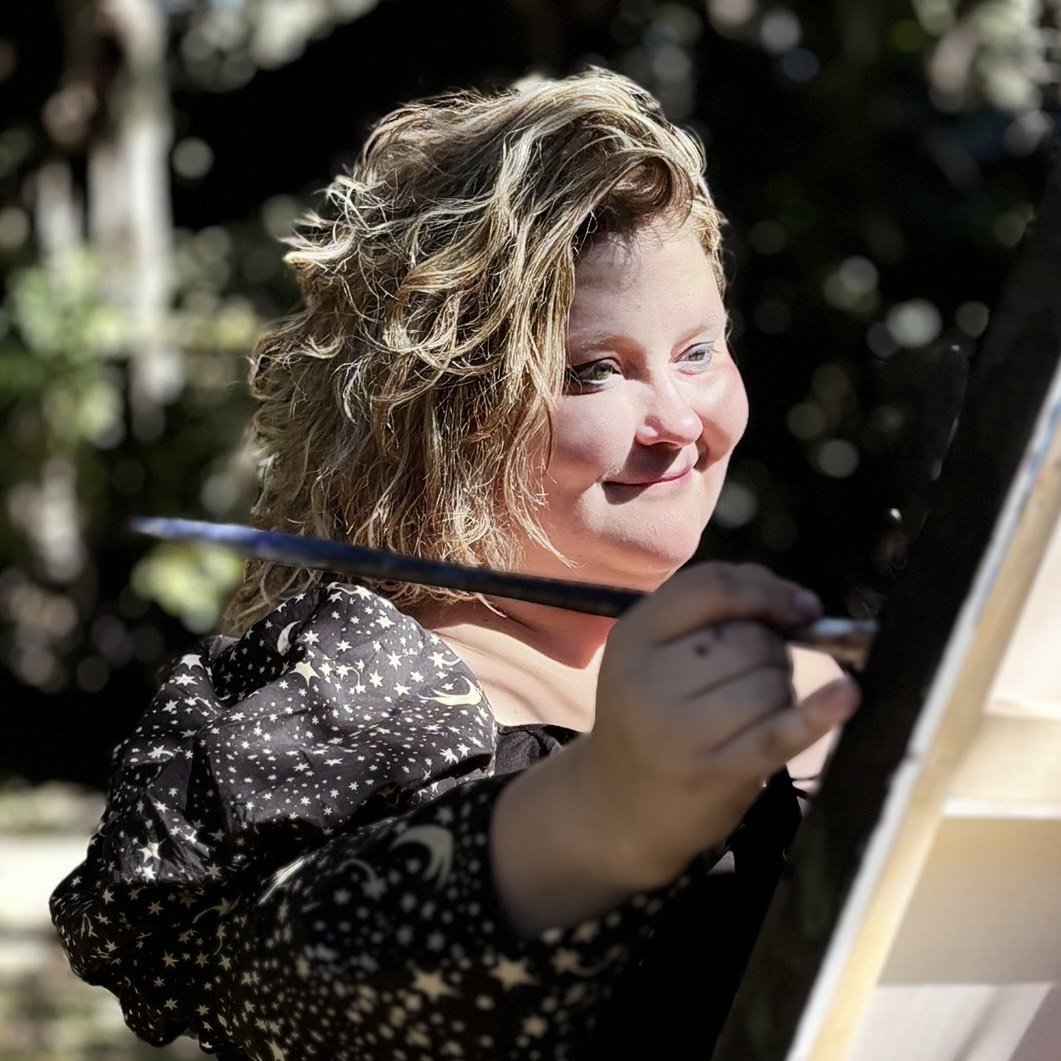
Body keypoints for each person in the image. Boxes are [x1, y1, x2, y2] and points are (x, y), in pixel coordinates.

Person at [51, 69, 860, 1059]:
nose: (681, 423)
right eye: (594, 370)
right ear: (452, 414)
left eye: (696, 350)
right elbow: (279, 982)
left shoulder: (760, 649)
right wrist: (609, 810)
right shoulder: (371, 676)